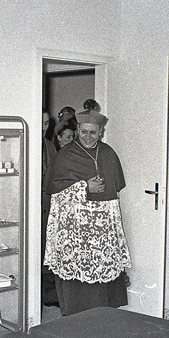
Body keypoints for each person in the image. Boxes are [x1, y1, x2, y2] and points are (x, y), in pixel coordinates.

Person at [43, 109, 131, 316]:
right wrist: (84, 187)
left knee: (103, 268)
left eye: (93, 132)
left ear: (101, 132)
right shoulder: (65, 155)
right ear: (78, 129)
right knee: (77, 276)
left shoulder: (108, 153)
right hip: (75, 228)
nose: (88, 137)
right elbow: (55, 193)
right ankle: (76, 314)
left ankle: (104, 314)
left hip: (102, 225)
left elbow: (116, 190)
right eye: (84, 132)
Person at [41, 109, 59, 307]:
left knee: (48, 244)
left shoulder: (49, 147)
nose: (43, 127)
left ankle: (48, 294)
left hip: (48, 203)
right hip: (33, 203)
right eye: (40, 122)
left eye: (46, 123)